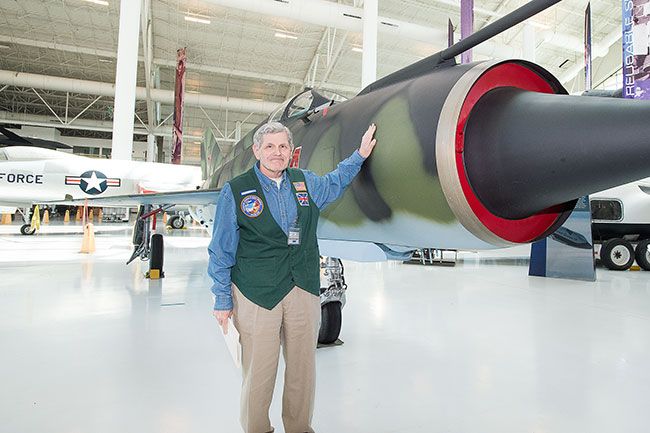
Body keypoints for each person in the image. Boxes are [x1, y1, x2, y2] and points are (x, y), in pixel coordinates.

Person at [208, 121, 377, 433]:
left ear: (291, 153)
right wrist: (221, 298)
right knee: (259, 371)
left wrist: (360, 156)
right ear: (257, 151)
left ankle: (299, 427)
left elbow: (335, 182)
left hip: (302, 288)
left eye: (283, 147)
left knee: (303, 368)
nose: (276, 152)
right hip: (256, 293)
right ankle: (258, 428)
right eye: (269, 146)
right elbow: (221, 248)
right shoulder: (236, 191)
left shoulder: (305, 182)